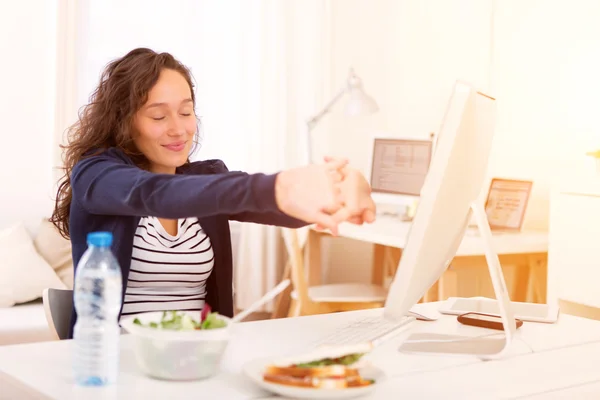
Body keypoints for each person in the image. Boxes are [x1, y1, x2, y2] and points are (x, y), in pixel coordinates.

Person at [51, 48, 376, 338]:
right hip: (122, 362)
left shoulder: (205, 182)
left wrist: (344, 188)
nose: (179, 129)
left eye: (186, 111)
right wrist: (280, 186)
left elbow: (277, 205)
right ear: (124, 122)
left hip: (201, 357)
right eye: (159, 116)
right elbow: (153, 193)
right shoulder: (97, 175)